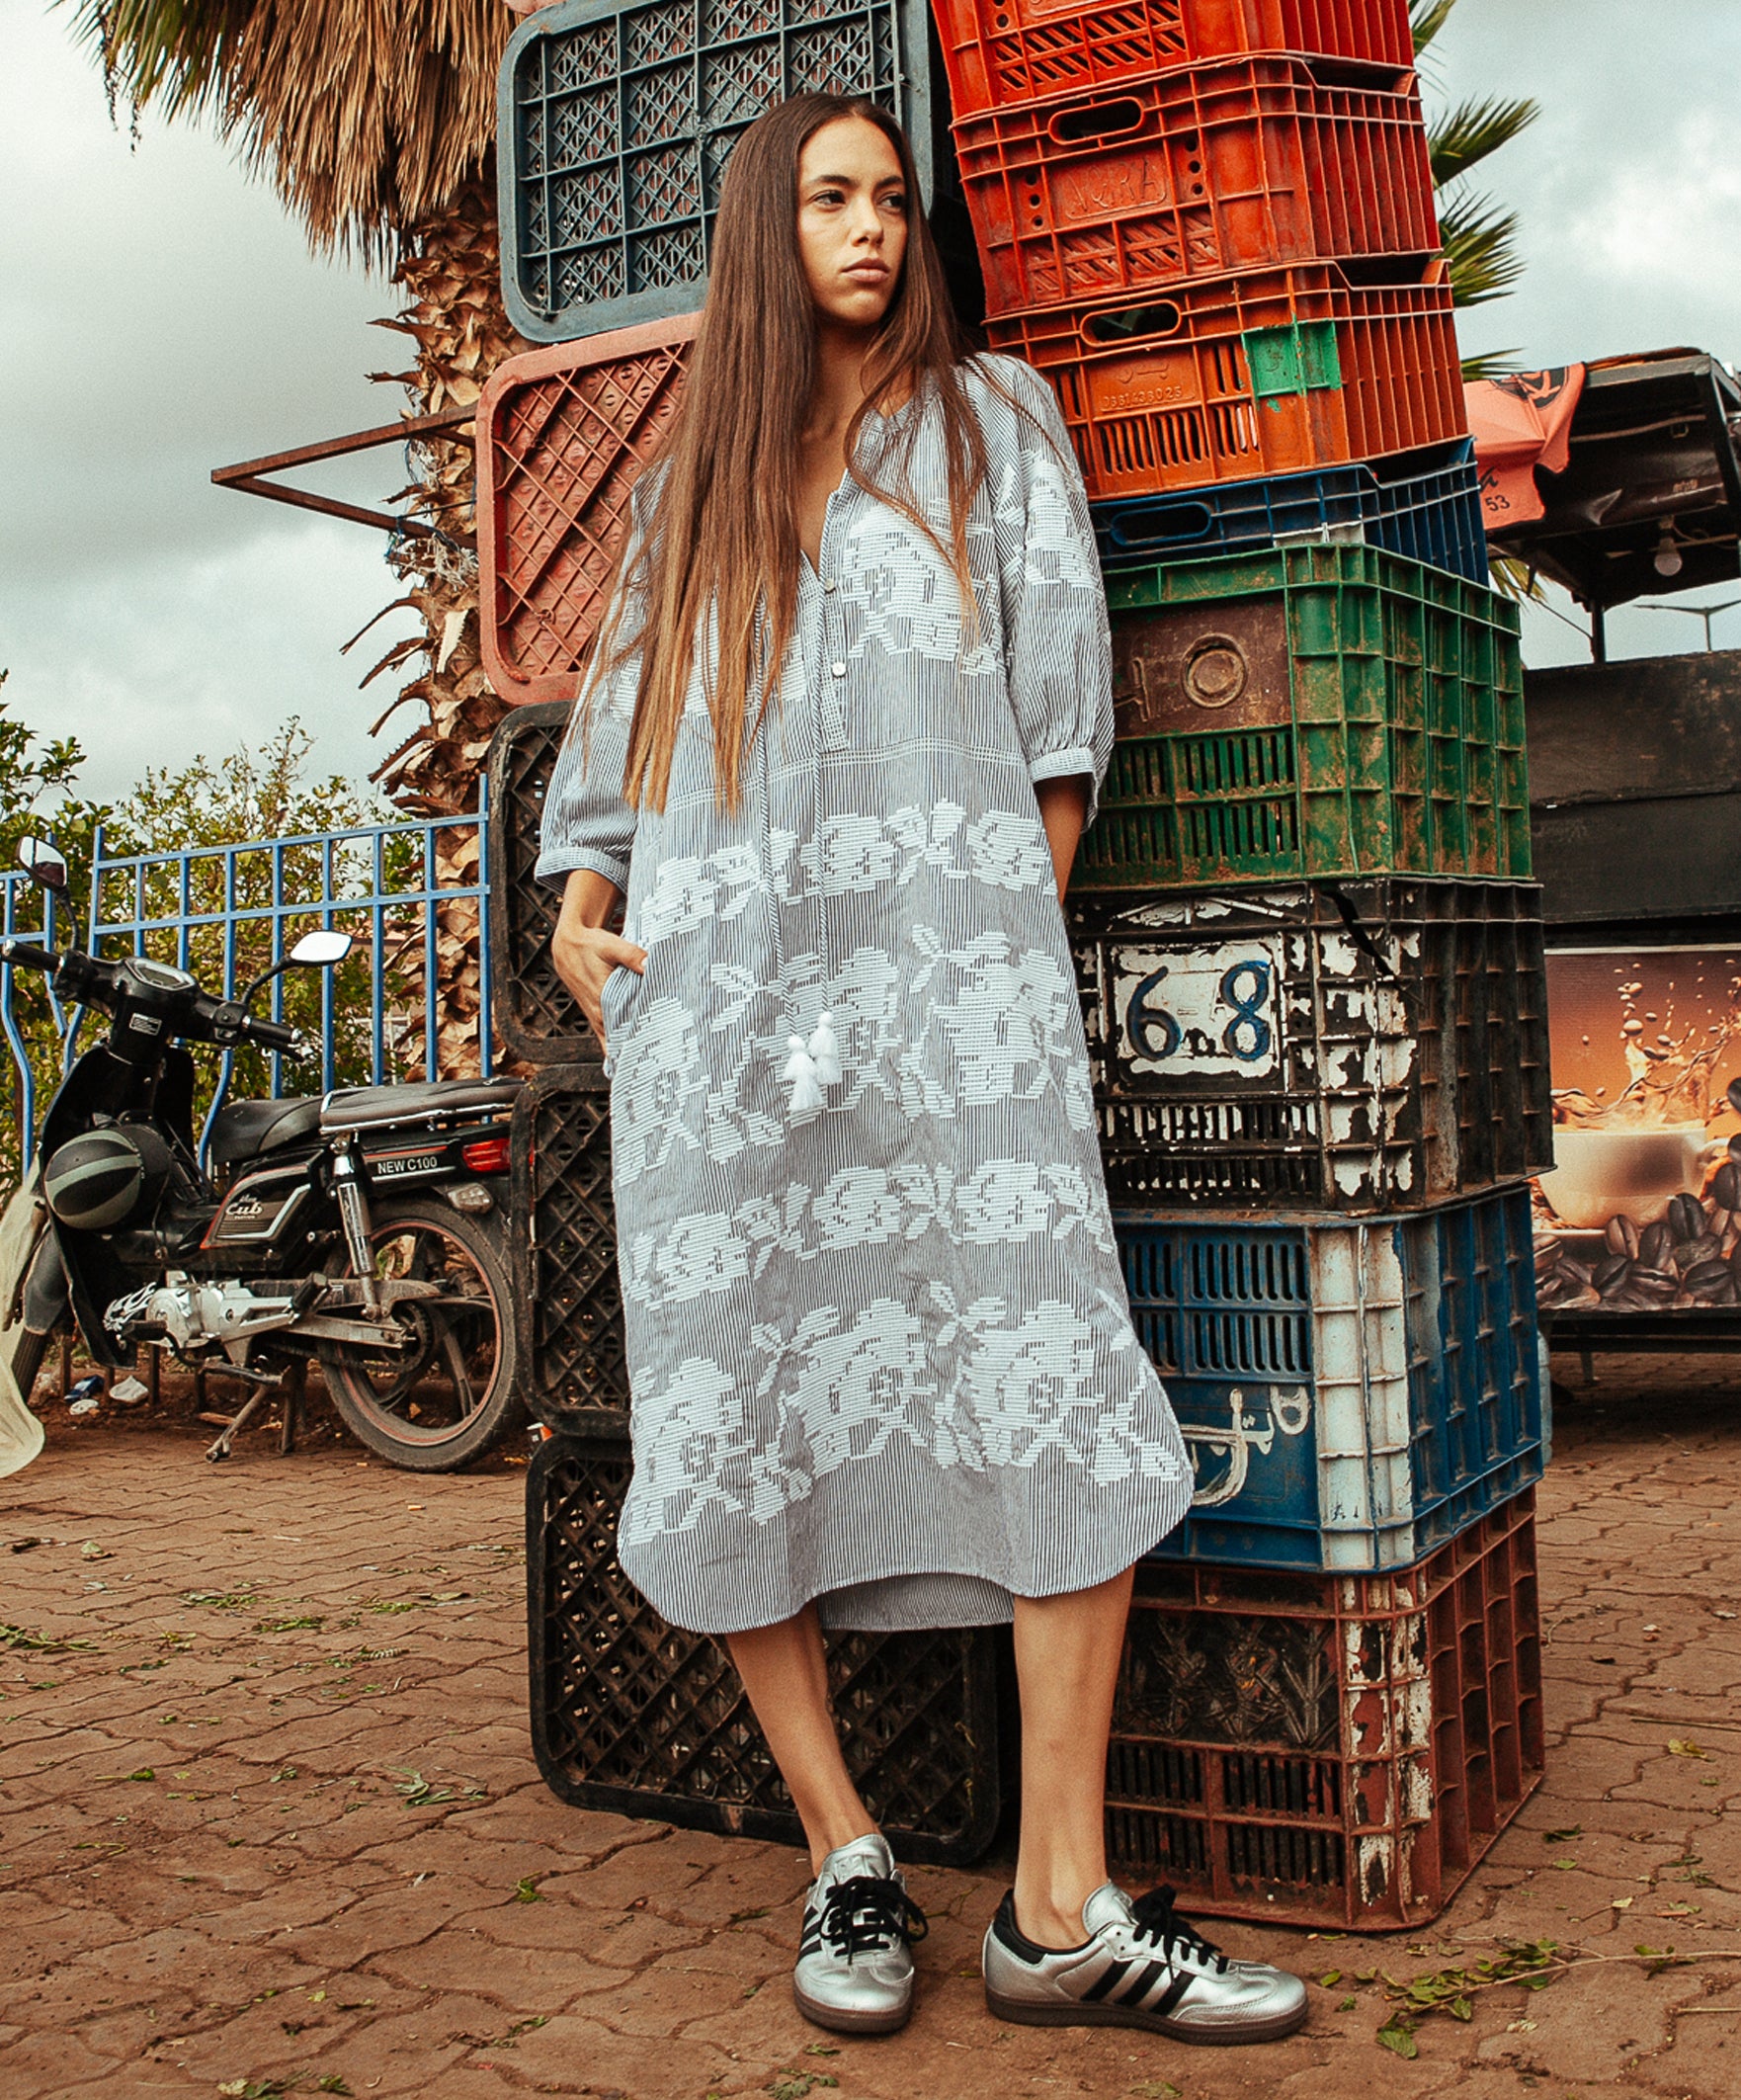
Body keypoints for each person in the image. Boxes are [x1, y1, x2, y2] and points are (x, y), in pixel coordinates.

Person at [537, 91, 1307, 2048]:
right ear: (760, 228)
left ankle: (1056, 1900)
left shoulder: (998, 424)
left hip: (953, 1000)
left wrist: (993, 962)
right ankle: (843, 1847)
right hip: (721, 1018)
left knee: (1056, 1378)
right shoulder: (689, 476)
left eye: (890, 198)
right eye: (825, 197)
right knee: (738, 1408)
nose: (867, 229)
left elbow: (1059, 728)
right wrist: (580, 901)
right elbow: (617, 749)